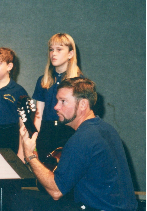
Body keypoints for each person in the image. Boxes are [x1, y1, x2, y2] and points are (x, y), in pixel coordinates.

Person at [20, 77, 137, 211]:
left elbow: (56, 191)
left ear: (83, 104)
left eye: (63, 101)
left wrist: (30, 155)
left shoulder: (82, 138)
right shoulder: (107, 129)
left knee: (22, 201)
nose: (56, 106)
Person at [32, 33, 83, 161]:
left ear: (70, 54)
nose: (53, 54)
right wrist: (34, 138)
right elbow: (38, 115)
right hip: (46, 133)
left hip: (68, 132)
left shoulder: (79, 82)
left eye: (59, 49)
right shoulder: (43, 80)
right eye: (51, 49)